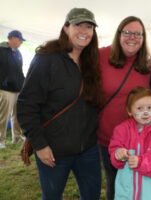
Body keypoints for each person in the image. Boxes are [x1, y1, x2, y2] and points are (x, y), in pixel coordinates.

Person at [16, 8, 104, 200]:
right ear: (66, 28)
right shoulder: (47, 59)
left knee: (92, 196)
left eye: (88, 26)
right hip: (54, 151)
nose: (83, 31)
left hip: (88, 149)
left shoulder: (92, 61)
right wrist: (40, 145)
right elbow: (26, 105)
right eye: (77, 25)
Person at [97, 16, 151, 200]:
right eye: (127, 32)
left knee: (137, 183)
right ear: (119, 34)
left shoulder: (147, 64)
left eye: (138, 34)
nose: (132, 37)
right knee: (115, 183)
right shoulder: (101, 56)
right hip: (108, 137)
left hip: (138, 139)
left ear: (143, 38)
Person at [109, 86, 151, 200]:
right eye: (139, 108)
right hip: (125, 194)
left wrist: (141, 161)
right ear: (129, 111)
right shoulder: (121, 130)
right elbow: (115, 159)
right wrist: (118, 154)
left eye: (149, 107)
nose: (145, 112)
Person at [0, 30, 25, 148]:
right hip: (4, 89)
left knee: (18, 114)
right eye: (20, 40)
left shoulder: (18, 53)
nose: (21, 43)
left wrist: (23, 85)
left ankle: (17, 137)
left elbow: (19, 72)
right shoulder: (1, 50)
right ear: (13, 38)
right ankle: (0, 141)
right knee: (3, 116)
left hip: (18, 89)